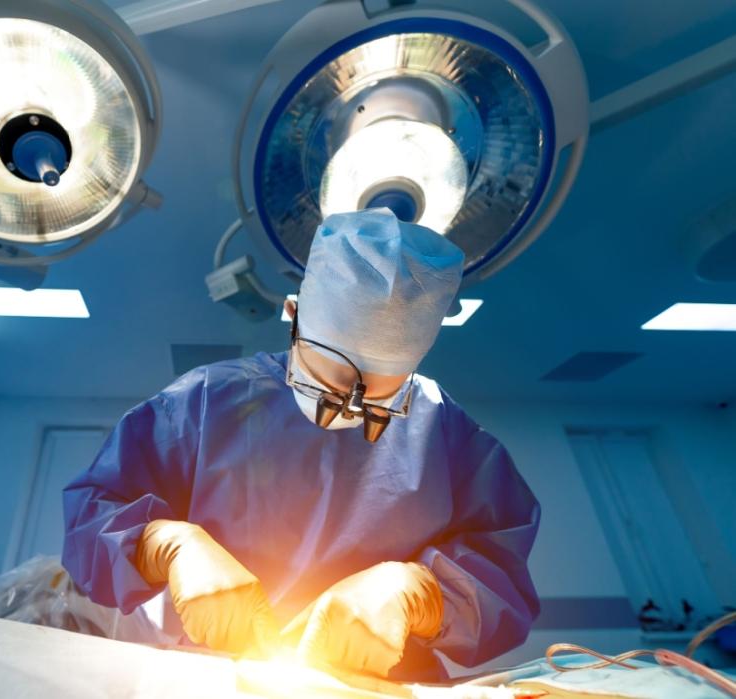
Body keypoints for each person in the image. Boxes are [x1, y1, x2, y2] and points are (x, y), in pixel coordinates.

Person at [63, 209, 540, 681]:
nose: (348, 412)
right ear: (293, 317)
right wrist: (166, 546)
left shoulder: (443, 429)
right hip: (211, 673)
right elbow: (95, 517)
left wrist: (424, 593)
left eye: (377, 403)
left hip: (374, 682)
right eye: (328, 387)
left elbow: (501, 581)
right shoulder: (205, 403)